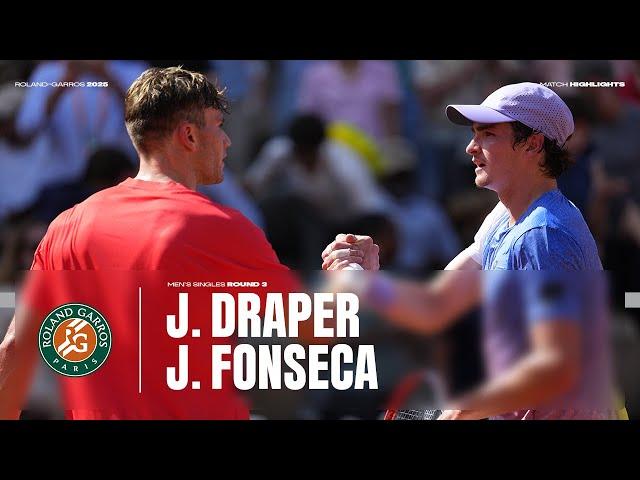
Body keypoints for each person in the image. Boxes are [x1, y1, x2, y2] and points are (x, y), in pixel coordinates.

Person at [0, 67, 348, 420]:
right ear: (189, 136)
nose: (227, 140)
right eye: (218, 126)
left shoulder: (67, 225)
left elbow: (16, 348)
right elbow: (318, 330)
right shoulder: (221, 229)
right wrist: (347, 273)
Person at [322, 82, 620, 419]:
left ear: (533, 144)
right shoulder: (505, 217)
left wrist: (461, 411)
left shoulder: (544, 235)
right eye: (474, 134)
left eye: (487, 134)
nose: (470, 147)